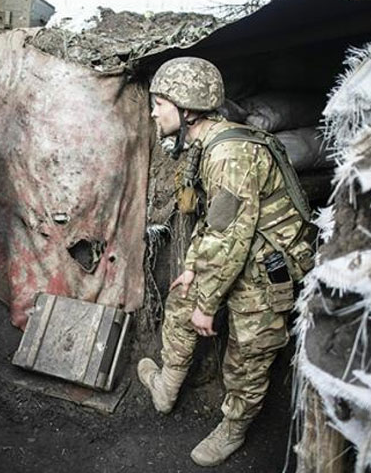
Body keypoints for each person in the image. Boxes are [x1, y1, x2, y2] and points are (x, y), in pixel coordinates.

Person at [138, 57, 315, 466]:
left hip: (268, 268)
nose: (152, 112)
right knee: (180, 301)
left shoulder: (230, 155)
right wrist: (192, 269)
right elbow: (215, 221)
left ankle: (233, 428)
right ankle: (167, 386)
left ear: (187, 108)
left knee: (249, 354)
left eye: (159, 103)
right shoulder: (209, 144)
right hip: (236, 249)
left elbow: (230, 235)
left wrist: (208, 304)